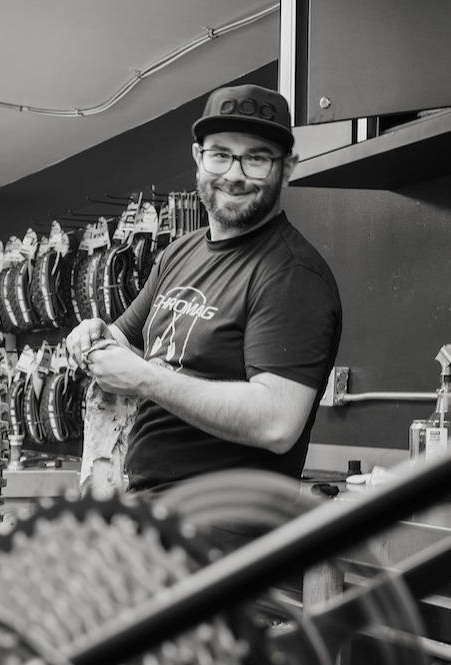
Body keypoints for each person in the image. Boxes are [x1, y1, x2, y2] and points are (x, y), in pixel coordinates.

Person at [66, 83, 342, 494]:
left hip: (223, 524)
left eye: (256, 158)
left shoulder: (293, 275)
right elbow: (124, 341)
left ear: (287, 168)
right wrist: (93, 336)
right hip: (148, 511)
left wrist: (146, 379)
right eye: (220, 154)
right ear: (199, 158)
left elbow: (277, 423)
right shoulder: (179, 254)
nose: (234, 174)